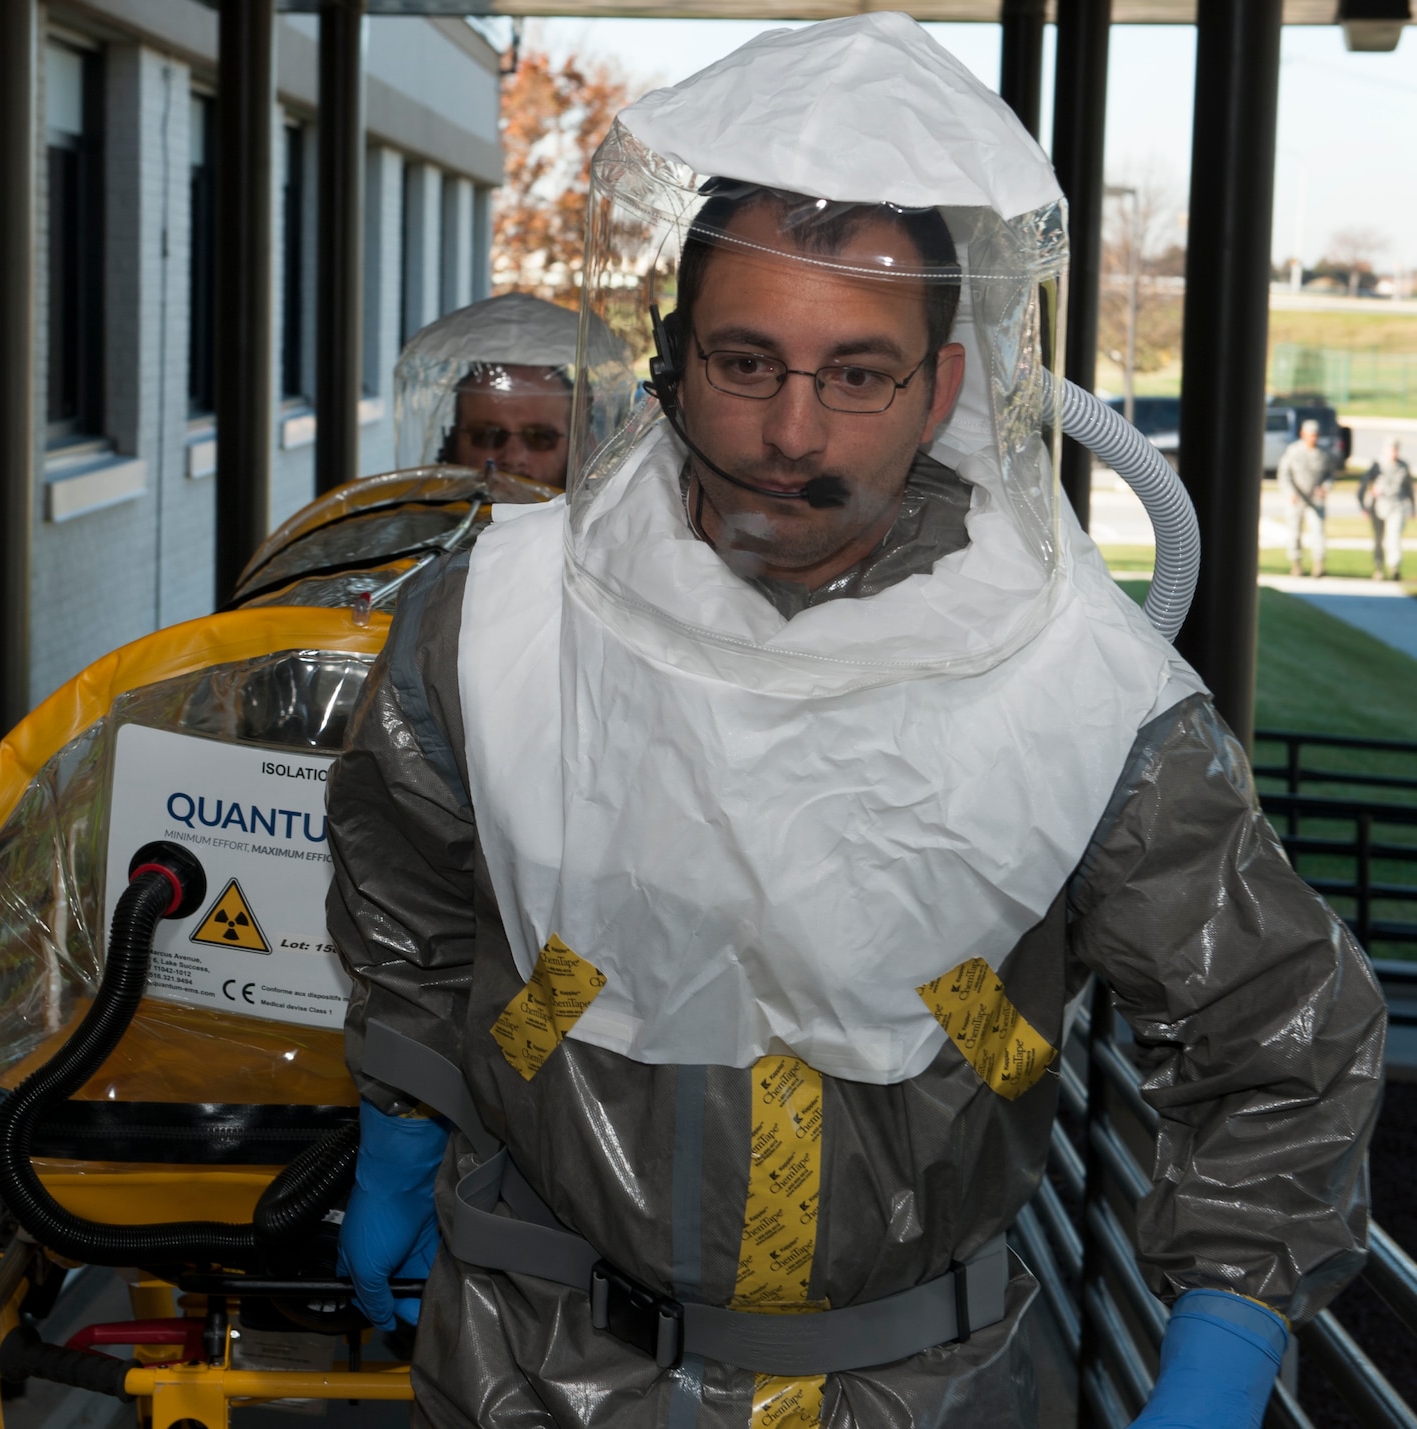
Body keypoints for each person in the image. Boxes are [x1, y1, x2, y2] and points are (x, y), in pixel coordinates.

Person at [326, 16, 1381, 1429]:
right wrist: (399, 1116)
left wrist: (1224, 1336)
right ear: (669, 357)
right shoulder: (500, 622)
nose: (795, 434)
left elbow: (1275, 1030)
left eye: (860, 371)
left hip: (912, 1385)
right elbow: (408, 883)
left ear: (946, 386)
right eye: (748, 361)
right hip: (535, 1353)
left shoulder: (1083, 689)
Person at [394, 292, 631, 490]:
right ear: (453, 443)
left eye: (540, 438)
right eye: (488, 435)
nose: (513, 458)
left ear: (581, 450)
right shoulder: (413, 540)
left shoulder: (608, 544)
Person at [1280, 418, 1339, 578]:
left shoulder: (1324, 454)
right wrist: (1290, 492)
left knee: (1318, 532)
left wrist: (1325, 488)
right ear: (1303, 434)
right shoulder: (1293, 451)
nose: (1313, 438)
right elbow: (1284, 474)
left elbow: (1331, 475)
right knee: (1294, 532)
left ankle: (1318, 565)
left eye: (1316, 435)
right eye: (1310, 435)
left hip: (1315, 500)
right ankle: (1296, 565)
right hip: (1297, 499)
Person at [1363, 438, 1414, 581]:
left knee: (1395, 537)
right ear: (1385, 450)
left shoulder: (1403, 466)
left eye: (1396, 449)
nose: (1393, 452)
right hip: (1379, 504)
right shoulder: (1377, 465)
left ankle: (1394, 568)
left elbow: (1408, 488)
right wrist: (1367, 502)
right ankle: (1378, 567)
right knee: (1379, 539)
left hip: (1397, 504)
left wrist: (1412, 507)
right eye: (1391, 449)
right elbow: (1365, 482)